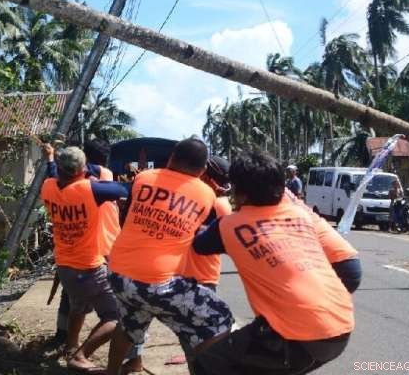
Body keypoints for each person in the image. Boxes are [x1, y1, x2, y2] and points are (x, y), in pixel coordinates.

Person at [192, 151, 361, 375]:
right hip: (341, 327)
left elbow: (199, 245)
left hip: (299, 336)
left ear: (239, 192)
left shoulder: (229, 226)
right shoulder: (300, 215)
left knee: (207, 362)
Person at [105, 138, 233, 375]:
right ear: (202, 169)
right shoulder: (206, 195)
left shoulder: (144, 178)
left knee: (129, 326)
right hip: (158, 284)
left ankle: (111, 372)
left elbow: (126, 218)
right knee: (218, 318)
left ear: (172, 157)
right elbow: (204, 239)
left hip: (118, 273)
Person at [41, 146, 130, 373]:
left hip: (65, 266)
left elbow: (52, 172)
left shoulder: (48, 186)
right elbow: (123, 189)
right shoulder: (90, 189)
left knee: (78, 307)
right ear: (82, 169)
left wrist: (50, 158)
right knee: (118, 317)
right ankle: (80, 356)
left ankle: (71, 346)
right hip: (89, 267)